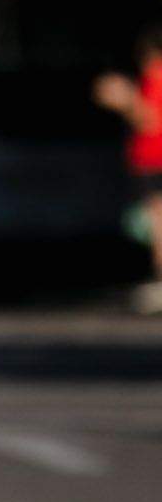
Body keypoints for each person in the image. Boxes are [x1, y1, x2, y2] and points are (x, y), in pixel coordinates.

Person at [95, 26, 162, 312]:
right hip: (147, 163)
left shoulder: (156, 79)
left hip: (154, 161)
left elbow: (152, 120)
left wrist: (126, 99)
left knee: (158, 227)